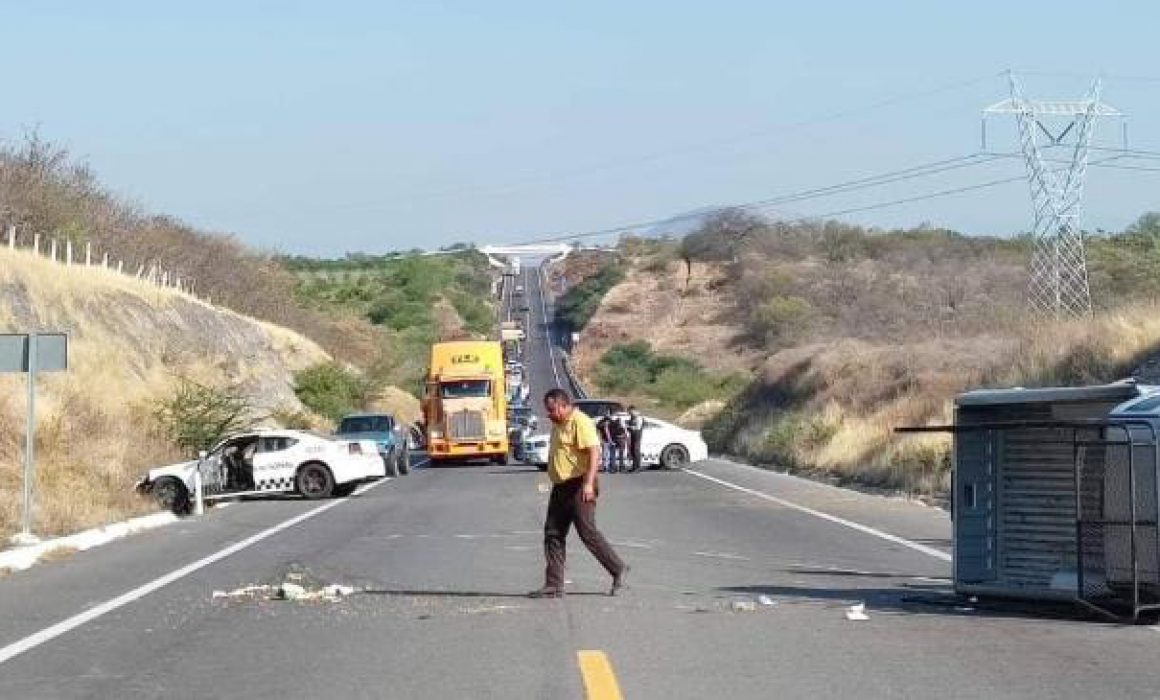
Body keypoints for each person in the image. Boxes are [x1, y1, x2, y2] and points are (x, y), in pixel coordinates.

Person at [528, 389, 629, 598]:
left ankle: (618, 568)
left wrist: (589, 484)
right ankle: (554, 584)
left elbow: (594, 452)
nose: (550, 414)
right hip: (561, 486)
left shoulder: (580, 422)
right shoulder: (558, 424)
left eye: (553, 409)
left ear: (564, 405)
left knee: (587, 532)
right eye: (548, 410)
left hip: (580, 484)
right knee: (553, 533)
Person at [596, 409, 615, 473]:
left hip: (613, 440)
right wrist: (600, 439)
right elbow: (598, 430)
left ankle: (612, 467)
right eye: (606, 413)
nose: (607, 414)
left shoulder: (612, 421)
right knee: (605, 454)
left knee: (612, 454)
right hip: (605, 440)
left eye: (608, 413)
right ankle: (605, 467)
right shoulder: (601, 422)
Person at [627, 406, 644, 472]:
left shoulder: (638, 418)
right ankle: (634, 467)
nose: (629, 413)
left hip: (637, 435)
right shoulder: (632, 417)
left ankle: (637, 467)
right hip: (633, 435)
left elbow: (638, 427)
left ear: (633, 410)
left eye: (630, 412)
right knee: (632, 450)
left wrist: (629, 427)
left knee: (636, 450)